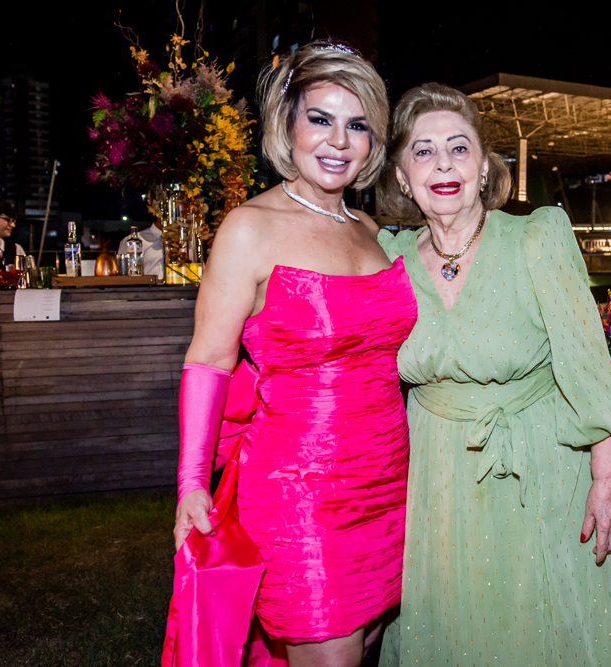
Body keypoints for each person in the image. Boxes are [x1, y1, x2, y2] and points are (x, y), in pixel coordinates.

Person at [375, 83, 611, 667]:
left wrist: (609, 474)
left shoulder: (536, 237)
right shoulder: (387, 259)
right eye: (423, 151)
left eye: (459, 147)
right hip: (431, 471)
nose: (444, 164)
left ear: (483, 166)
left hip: (537, 462)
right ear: (401, 176)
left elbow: (588, 363)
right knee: (444, 617)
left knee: (537, 621)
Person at [171, 41, 415, 666]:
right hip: (299, 490)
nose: (338, 141)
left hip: (388, 481)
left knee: (365, 643)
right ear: (287, 125)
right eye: (320, 119)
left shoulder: (371, 232)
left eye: (357, 125)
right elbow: (209, 360)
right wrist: (192, 483)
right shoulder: (248, 228)